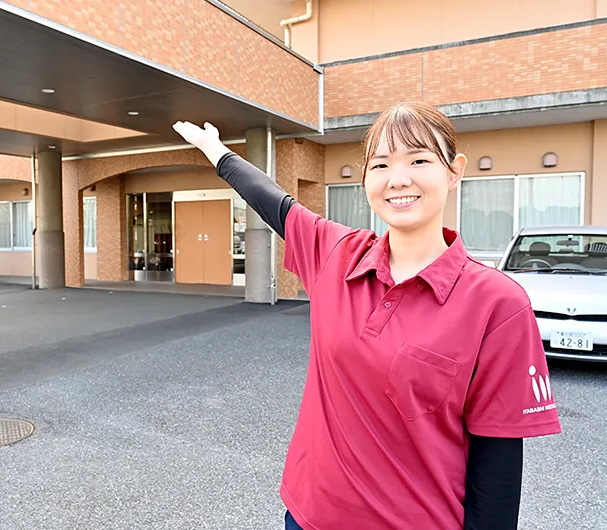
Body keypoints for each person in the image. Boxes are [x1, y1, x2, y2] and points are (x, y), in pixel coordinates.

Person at [172, 101, 562, 530]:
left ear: (455, 172)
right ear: (365, 180)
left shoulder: (497, 303)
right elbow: (275, 204)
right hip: (308, 516)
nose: (398, 179)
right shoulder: (338, 255)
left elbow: (498, 463)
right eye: (380, 164)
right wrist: (217, 151)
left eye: (419, 160)